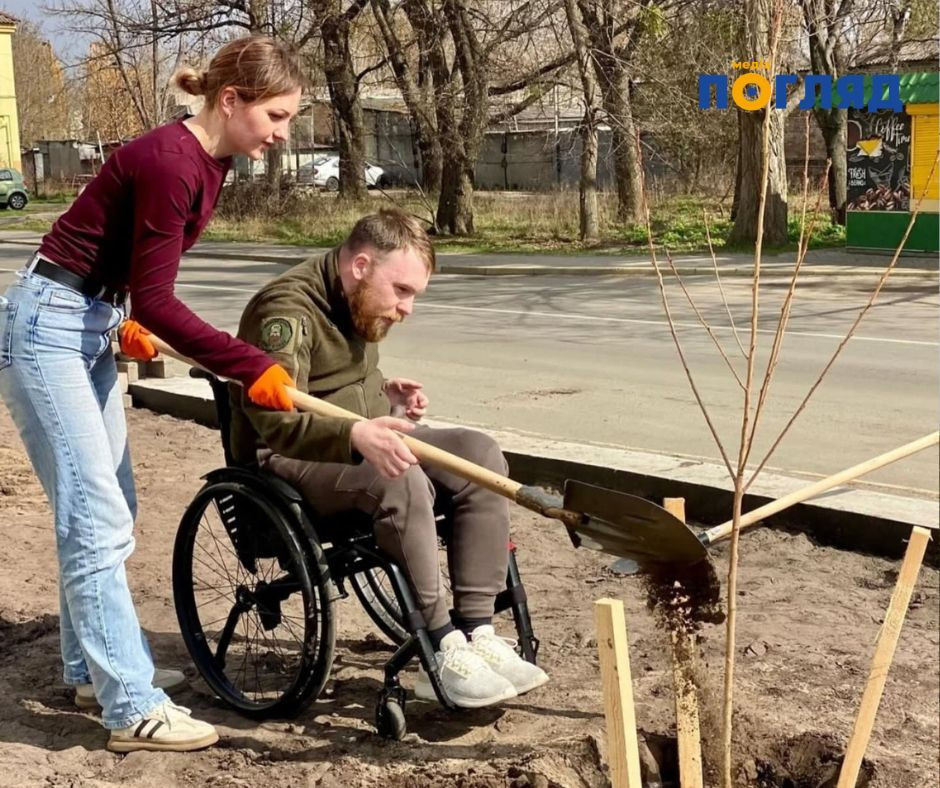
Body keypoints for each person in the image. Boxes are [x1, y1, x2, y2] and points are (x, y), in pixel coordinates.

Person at [0, 35, 303, 752]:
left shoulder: (211, 164)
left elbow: (137, 272)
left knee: (112, 505)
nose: (282, 135)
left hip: (88, 320)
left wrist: (124, 317)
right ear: (232, 101)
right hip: (49, 329)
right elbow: (162, 299)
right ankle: (131, 706)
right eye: (278, 116)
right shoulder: (173, 161)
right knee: (96, 516)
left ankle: (86, 668)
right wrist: (246, 363)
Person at [228, 208, 549, 708]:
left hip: (355, 440)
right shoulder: (285, 312)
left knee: (481, 454)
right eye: (401, 291)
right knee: (398, 477)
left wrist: (384, 395)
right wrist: (359, 433)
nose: (407, 309)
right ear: (360, 266)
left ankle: (478, 630)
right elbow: (279, 422)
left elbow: (335, 382)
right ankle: (441, 646)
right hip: (286, 459)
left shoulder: (353, 298)